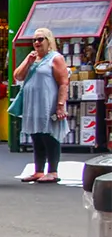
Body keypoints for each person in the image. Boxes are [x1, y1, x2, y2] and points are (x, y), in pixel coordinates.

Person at [13, 28, 69, 182]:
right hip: (33, 103)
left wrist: (60, 105)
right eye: (34, 40)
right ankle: (38, 170)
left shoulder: (55, 58)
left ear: (49, 41)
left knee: (50, 135)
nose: (37, 42)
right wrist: (28, 62)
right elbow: (17, 75)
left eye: (40, 39)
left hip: (48, 102)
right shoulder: (32, 58)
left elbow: (64, 82)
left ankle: (53, 171)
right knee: (36, 135)